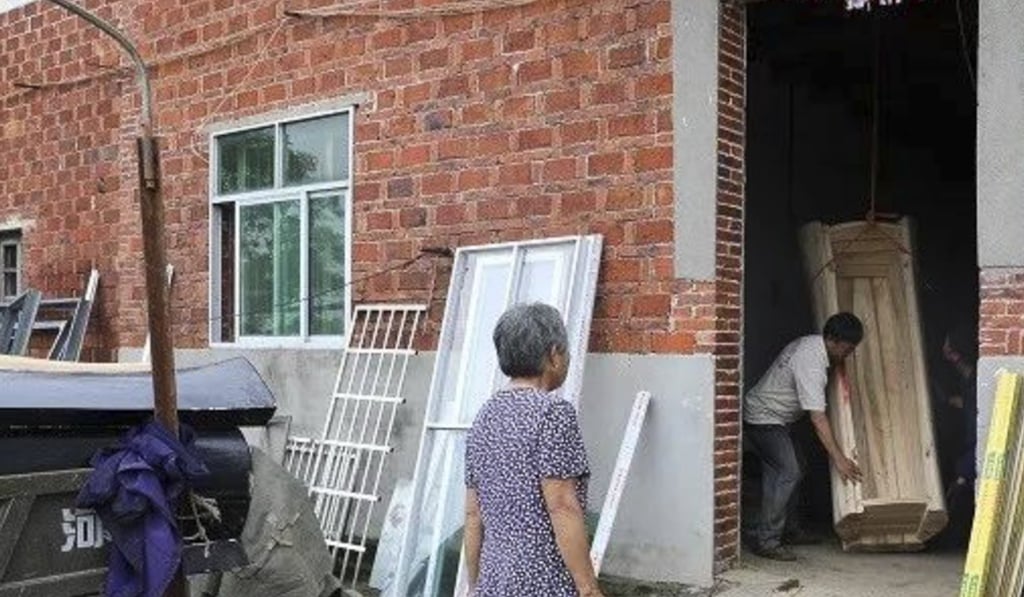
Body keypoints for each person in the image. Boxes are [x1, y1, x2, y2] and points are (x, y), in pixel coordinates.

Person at [463, 303, 603, 597]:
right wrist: (588, 589)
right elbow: (562, 505)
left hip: (494, 580)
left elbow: (473, 514)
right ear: (554, 355)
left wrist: (475, 586)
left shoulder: (484, 416)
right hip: (543, 582)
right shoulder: (553, 413)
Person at [743, 312, 865, 561]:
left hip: (777, 418)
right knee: (788, 471)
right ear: (832, 340)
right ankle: (766, 540)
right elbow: (817, 418)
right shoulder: (812, 362)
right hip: (763, 418)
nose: (849, 354)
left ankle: (789, 530)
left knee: (798, 466)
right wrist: (839, 458)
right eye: (848, 349)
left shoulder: (812, 343)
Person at [941, 321, 978, 546]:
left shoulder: (975, 381)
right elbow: (966, 403)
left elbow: (975, 415)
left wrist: (965, 470)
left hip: (974, 448)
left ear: (954, 354)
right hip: (969, 445)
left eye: (947, 345)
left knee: (961, 486)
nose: (942, 349)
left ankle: (958, 540)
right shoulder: (967, 378)